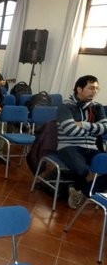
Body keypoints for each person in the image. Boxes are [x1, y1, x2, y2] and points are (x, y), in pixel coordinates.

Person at [57, 75, 107, 209]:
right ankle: (82, 190)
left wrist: (83, 125)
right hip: (69, 145)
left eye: (97, 88)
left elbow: (104, 129)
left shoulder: (97, 107)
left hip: (91, 146)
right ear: (79, 89)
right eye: (91, 88)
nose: (94, 91)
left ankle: (82, 191)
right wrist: (94, 129)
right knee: (81, 170)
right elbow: (70, 131)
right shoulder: (65, 106)